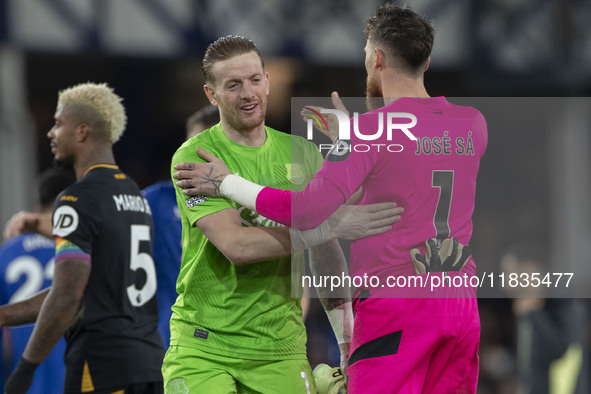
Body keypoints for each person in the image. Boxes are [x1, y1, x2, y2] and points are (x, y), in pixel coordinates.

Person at [173, 4, 487, 393]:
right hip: (458, 303)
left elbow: (308, 210)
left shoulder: (366, 132)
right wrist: (354, 137)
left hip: (395, 306)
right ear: (426, 60)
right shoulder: (471, 123)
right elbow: (403, 166)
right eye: (234, 84)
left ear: (376, 58)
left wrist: (228, 183)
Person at [162, 35, 403, 394]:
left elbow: (326, 253)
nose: (248, 94)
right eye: (233, 85)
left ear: (268, 81)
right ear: (211, 94)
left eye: (255, 80)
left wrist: (344, 337)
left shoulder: (302, 154)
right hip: (204, 347)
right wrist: (327, 225)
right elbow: (237, 247)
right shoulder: (196, 156)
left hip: (281, 350)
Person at [0, 82, 165, 393]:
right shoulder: (133, 193)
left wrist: (25, 368)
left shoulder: (77, 199)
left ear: (82, 131)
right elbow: (87, 290)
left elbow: (66, 295)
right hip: (148, 362)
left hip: (102, 364)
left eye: (59, 123)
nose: (51, 132)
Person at [142, 105, 220, 350]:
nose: (195, 159)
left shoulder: (250, 202)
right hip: (171, 339)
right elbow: (108, 221)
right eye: (190, 147)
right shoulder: (156, 200)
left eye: (207, 151)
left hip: (234, 335)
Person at [0, 167, 75, 393]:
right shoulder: (80, 247)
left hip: (24, 381)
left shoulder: (7, 253)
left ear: (38, 203)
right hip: (77, 377)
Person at [500, 244, 589, 394]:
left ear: (530, 270)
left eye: (510, 274)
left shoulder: (564, 304)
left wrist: (535, 313)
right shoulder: (525, 312)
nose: (505, 283)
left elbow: (560, 350)